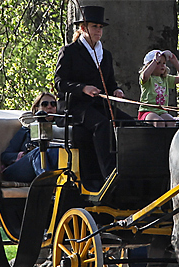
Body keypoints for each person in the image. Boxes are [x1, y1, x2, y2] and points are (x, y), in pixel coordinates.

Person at [54, 5, 133, 179]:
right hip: (76, 107)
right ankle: (110, 175)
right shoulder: (69, 52)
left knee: (130, 123)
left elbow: (110, 83)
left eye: (100, 27)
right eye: (94, 26)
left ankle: (133, 170)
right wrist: (83, 88)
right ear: (83, 28)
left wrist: (117, 91)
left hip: (99, 105)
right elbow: (59, 83)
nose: (98, 30)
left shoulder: (106, 55)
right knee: (102, 125)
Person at [1, 92, 59, 183]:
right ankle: (47, 185)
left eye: (53, 104)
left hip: (46, 168)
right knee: (39, 152)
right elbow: (5, 156)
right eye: (44, 104)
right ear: (37, 108)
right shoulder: (27, 129)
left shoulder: (60, 130)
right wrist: (23, 154)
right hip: (17, 170)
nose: (49, 107)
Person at [138, 49, 179, 127]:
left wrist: (175, 62)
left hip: (162, 111)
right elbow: (145, 76)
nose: (162, 65)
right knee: (159, 122)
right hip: (147, 112)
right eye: (159, 63)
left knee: (171, 122)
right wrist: (155, 61)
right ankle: (158, 139)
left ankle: (168, 139)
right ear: (149, 65)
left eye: (164, 63)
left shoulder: (166, 79)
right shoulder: (148, 78)